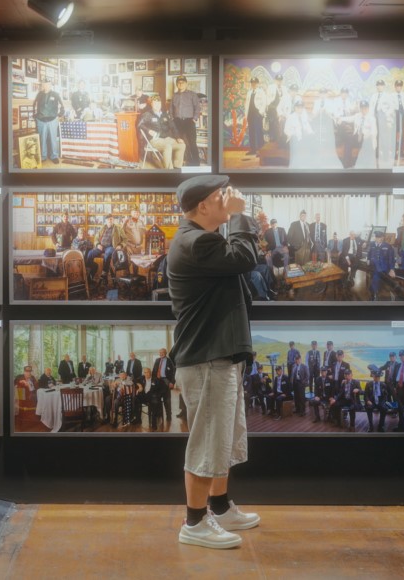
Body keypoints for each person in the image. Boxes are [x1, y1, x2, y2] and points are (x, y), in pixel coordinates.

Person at [168, 174, 262, 549]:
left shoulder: (201, 239)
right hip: (207, 358)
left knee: (222, 438)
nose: (228, 198)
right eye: (221, 195)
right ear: (203, 205)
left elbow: (240, 259)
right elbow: (244, 258)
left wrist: (239, 220)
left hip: (217, 356)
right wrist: (239, 217)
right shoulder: (195, 242)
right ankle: (194, 523)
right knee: (208, 441)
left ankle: (219, 508)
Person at [138, 95, 186, 169]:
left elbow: (173, 127)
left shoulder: (165, 114)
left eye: (159, 103)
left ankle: (177, 168)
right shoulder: (147, 114)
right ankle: (169, 170)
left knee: (181, 145)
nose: (157, 105)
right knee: (167, 146)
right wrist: (148, 130)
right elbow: (139, 125)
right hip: (154, 140)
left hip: (166, 138)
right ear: (151, 104)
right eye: (155, 103)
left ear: (161, 104)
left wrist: (178, 137)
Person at [170, 76, 202, 165]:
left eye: (183, 82)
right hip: (177, 122)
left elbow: (197, 108)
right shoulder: (174, 95)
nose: (181, 84)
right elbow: (171, 109)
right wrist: (172, 119)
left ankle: (196, 164)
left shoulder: (192, 94)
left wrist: (194, 118)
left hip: (189, 121)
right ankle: (180, 162)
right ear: (177, 84)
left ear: (186, 84)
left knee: (192, 143)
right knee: (178, 142)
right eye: (179, 82)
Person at [33, 78, 63, 163]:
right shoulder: (39, 94)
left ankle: (54, 156)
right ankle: (43, 156)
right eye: (44, 84)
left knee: (53, 139)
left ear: (50, 85)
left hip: (52, 120)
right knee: (42, 139)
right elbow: (35, 105)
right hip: (41, 120)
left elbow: (62, 106)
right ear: (42, 85)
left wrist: (59, 115)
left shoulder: (55, 94)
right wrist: (36, 116)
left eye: (48, 84)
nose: (46, 85)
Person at [151, 348, 176, 420]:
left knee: (167, 400)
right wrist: (153, 380)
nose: (161, 354)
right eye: (160, 352)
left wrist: (172, 382)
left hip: (166, 381)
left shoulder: (170, 361)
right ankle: (159, 414)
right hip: (157, 381)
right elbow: (154, 371)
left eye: (162, 352)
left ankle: (168, 415)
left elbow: (174, 372)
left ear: (165, 353)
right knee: (157, 398)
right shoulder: (157, 360)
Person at [244, 77, 266, 157]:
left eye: (255, 83)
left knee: (259, 132)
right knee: (251, 132)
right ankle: (253, 150)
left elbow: (264, 102)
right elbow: (247, 104)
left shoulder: (261, 92)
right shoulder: (249, 92)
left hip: (257, 114)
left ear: (257, 83)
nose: (253, 84)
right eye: (252, 83)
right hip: (250, 114)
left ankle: (261, 151)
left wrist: (260, 113)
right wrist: (246, 115)